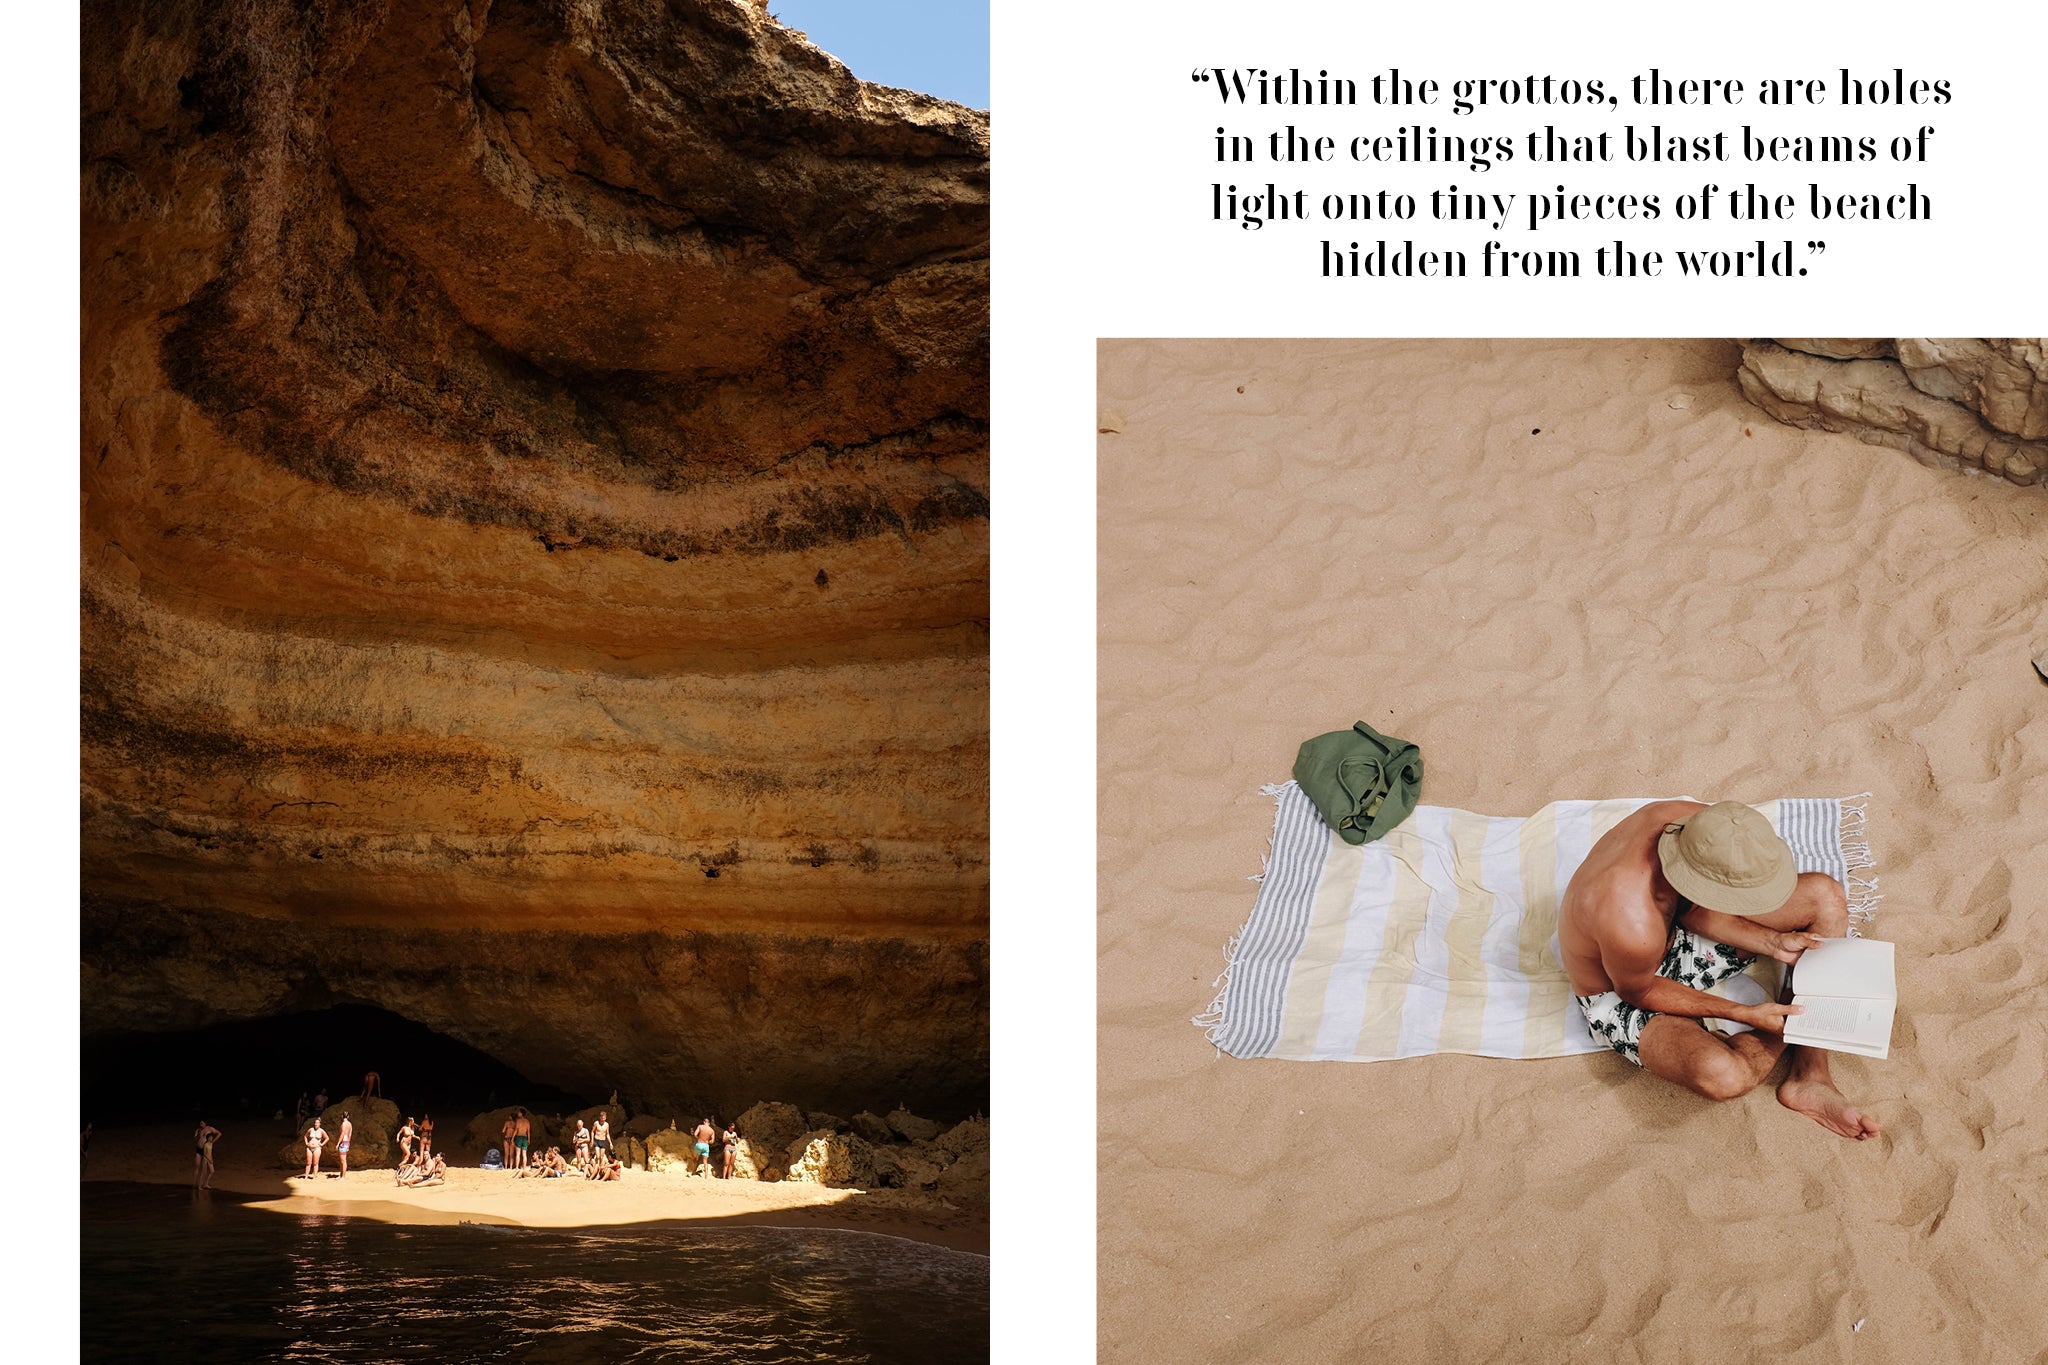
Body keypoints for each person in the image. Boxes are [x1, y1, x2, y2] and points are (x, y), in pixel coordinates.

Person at [1558, 799, 1880, 1140]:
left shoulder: (1703, 824)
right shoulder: (1630, 921)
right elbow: (1640, 991)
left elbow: (1692, 907)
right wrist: (1746, 1013)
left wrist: (1772, 942)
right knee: (1725, 1076)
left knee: (1825, 897)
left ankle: (1811, 1075)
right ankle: (1793, 1024)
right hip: (1624, 988)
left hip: (1671, 932)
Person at [193, 1119, 221, 1189]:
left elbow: (219, 1133)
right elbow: (196, 1140)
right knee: (197, 1166)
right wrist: (196, 1133)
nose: (201, 1124)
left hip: (205, 1149)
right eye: (200, 1123)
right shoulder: (199, 1130)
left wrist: (213, 1141)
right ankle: (195, 1183)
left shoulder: (209, 1128)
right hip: (199, 1149)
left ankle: (204, 1184)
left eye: (202, 1123)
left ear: (205, 1123)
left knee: (204, 1168)